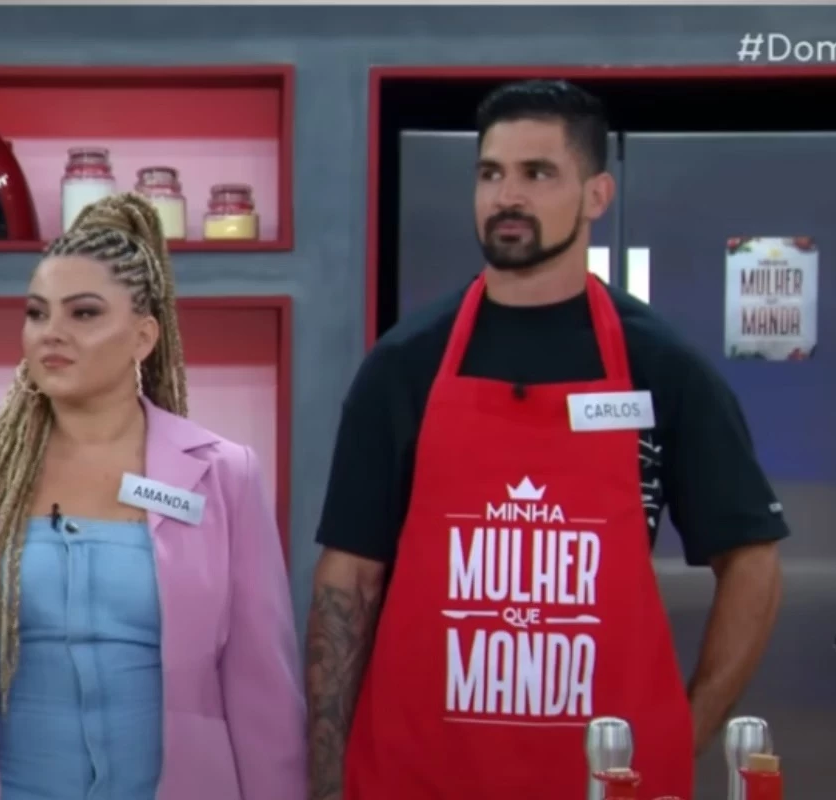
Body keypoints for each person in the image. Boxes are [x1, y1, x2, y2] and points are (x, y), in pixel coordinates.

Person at [306, 80, 788, 799]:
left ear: (597, 196)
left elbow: (752, 562)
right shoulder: (404, 367)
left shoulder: (662, 368)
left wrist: (680, 735)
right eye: (490, 173)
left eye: (537, 174)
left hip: (606, 783)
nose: (507, 196)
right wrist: (324, 780)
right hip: (420, 777)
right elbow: (348, 580)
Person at [0, 193, 306, 800]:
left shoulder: (221, 475)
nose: (52, 334)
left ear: (143, 337)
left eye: (84, 313)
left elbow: (263, 688)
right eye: (37, 313)